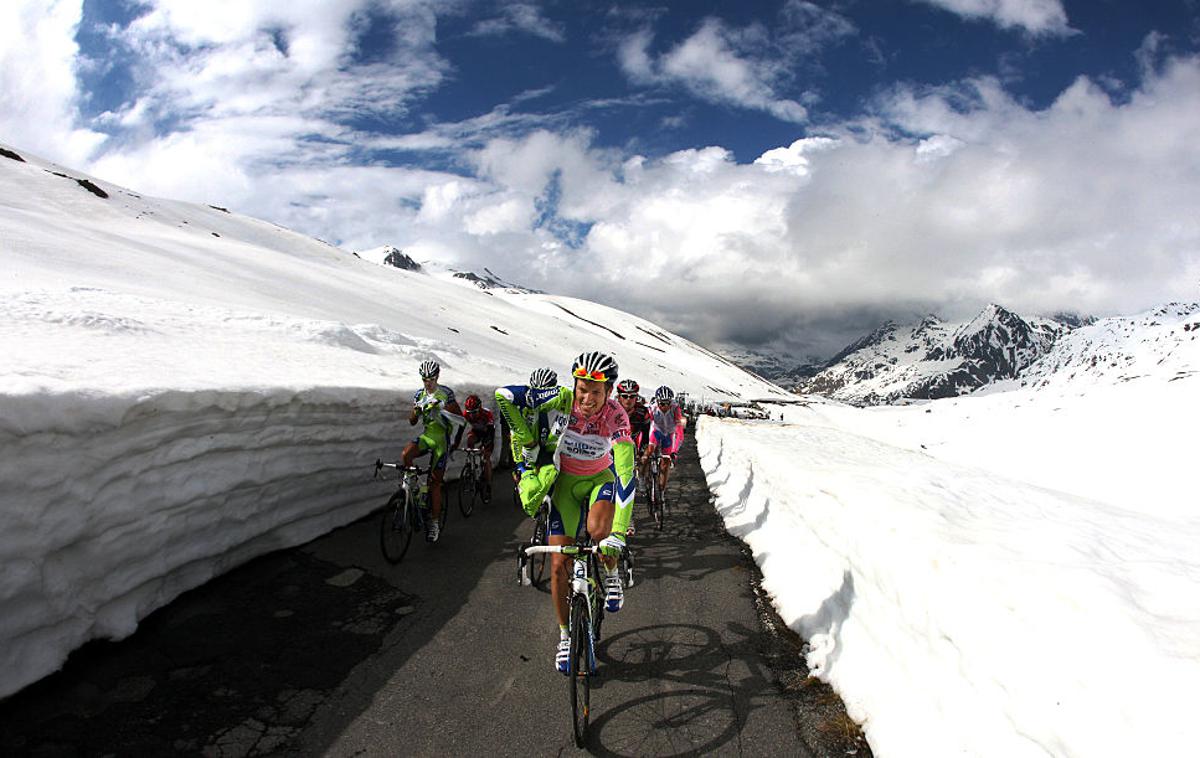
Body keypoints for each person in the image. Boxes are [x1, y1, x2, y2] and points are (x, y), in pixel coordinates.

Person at [495, 352, 635, 673]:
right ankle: (564, 635)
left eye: (596, 392)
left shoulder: (616, 416)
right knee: (559, 564)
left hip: (600, 479)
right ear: (574, 384)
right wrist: (526, 436)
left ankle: (611, 573)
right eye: (582, 388)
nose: (587, 398)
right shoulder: (561, 399)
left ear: (609, 393)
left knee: (600, 531)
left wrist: (619, 533)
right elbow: (504, 396)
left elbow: (626, 473)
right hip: (565, 487)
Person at [402, 359, 464, 542]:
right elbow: (412, 421)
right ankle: (416, 492)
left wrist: (441, 408)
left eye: (430, 378)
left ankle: (434, 523)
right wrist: (416, 410)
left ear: (437, 377)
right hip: (427, 436)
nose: (427, 382)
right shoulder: (419, 394)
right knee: (406, 455)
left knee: (435, 483)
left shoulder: (446, 393)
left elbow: (460, 419)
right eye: (424, 379)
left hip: (441, 440)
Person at [615, 379, 652, 529]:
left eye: (632, 396)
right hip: (611, 445)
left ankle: (627, 516)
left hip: (631, 446)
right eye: (624, 396)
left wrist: (643, 452)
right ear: (618, 396)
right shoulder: (611, 409)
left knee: (626, 480)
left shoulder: (642, 412)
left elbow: (647, 434)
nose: (628, 400)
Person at [643, 385, 686, 508]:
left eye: (667, 403)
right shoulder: (652, 408)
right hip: (656, 432)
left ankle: (661, 491)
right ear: (657, 401)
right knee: (649, 452)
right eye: (661, 403)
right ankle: (643, 475)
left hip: (669, 434)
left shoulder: (675, 408)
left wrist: (674, 452)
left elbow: (679, 433)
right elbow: (644, 424)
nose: (664, 406)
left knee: (665, 463)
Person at [460, 394, 496, 502]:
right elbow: (460, 431)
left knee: (486, 457)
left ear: (479, 409)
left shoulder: (487, 414)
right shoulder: (465, 414)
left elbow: (491, 433)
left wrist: (485, 446)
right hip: (477, 432)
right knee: (470, 439)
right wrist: (455, 444)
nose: (471, 416)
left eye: (474, 413)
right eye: (469, 413)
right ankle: (471, 465)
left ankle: (488, 485)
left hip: (487, 433)